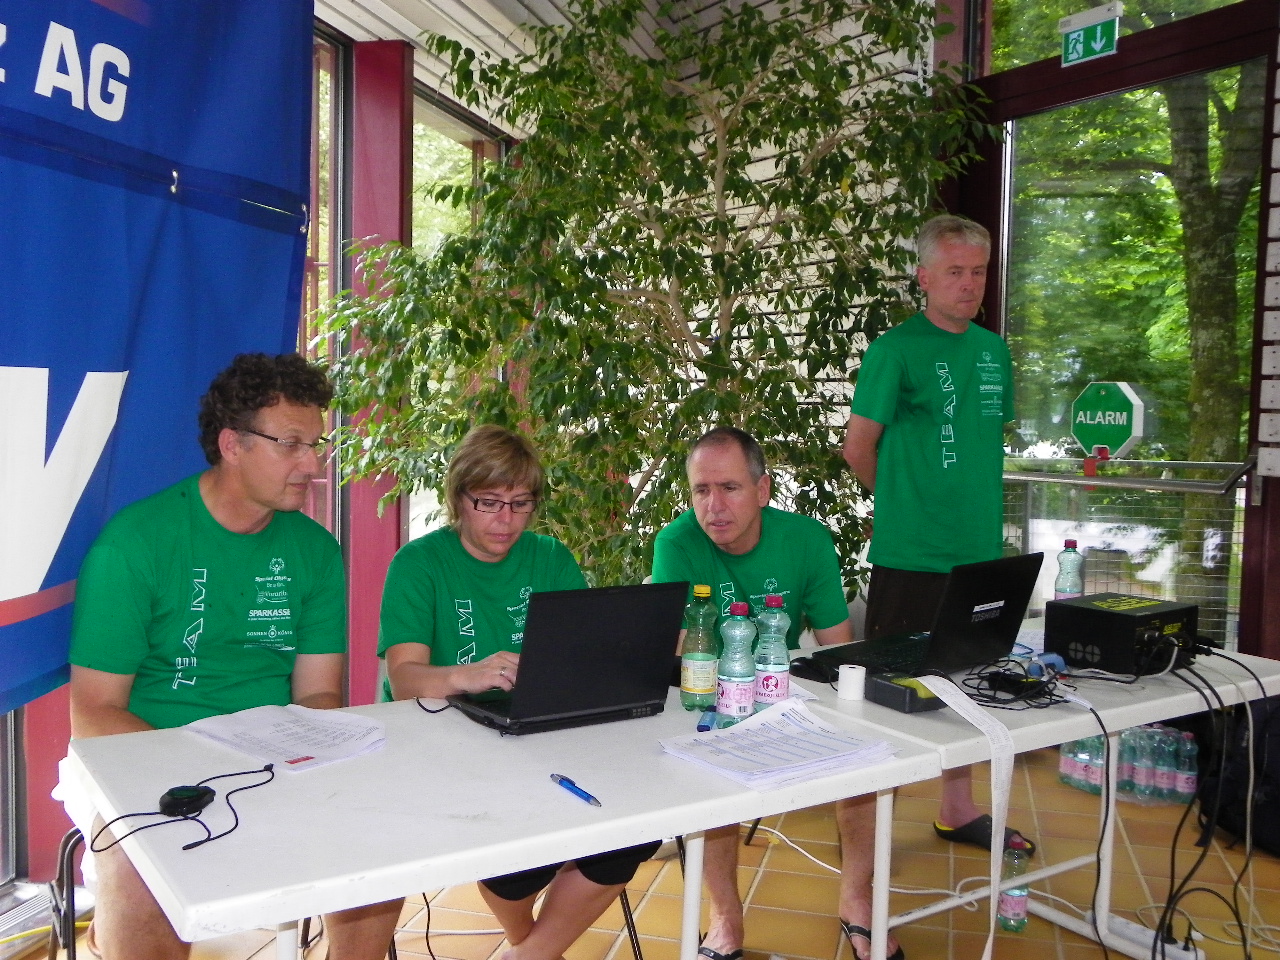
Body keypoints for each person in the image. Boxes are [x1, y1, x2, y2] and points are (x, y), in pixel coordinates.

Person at [59, 353, 401, 960]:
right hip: (142, 757)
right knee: (143, 877)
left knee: (386, 849)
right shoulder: (136, 545)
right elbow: (93, 715)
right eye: (291, 444)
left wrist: (307, 755)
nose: (313, 464)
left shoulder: (315, 551)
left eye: (316, 444)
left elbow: (318, 695)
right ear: (231, 445)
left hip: (272, 760)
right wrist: (206, 765)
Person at [378, 424, 661, 960]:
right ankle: (533, 948)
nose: (505, 519)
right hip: (450, 744)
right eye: (488, 503)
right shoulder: (419, 564)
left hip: (543, 735)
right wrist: (466, 675)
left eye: (520, 503)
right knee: (513, 864)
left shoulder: (550, 557)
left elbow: (584, 658)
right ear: (458, 497)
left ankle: (530, 954)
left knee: (635, 828)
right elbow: (405, 681)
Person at [649, 428, 898, 960]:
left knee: (870, 758)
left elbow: (837, 648)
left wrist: (855, 710)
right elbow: (678, 657)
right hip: (708, 698)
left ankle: (857, 899)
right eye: (701, 490)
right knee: (706, 769)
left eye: (729, 488)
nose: (713, 506)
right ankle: (726, 918)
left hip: (784, 690)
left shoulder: (805, 539)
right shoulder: (676, 543)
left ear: (762, 490)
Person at [842, 214, 1036, 862]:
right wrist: (902, 507)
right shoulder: (894, 350)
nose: (969, 284)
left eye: (978, 271)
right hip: (912, 554)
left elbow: (979, 442)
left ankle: (958, 810)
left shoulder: (993, 351)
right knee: (891, 694)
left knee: (968, 682)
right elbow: (858, 447)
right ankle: (866, 833)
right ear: (924, 277)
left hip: (977, 552)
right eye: (955, 271)